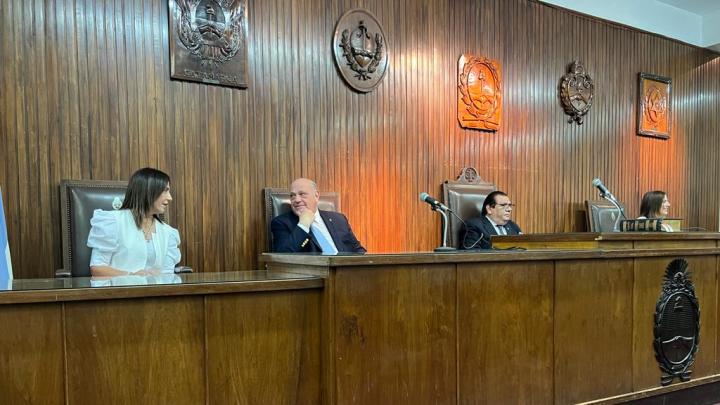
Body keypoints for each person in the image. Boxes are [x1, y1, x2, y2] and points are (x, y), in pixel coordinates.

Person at [87, 168, 181, 276]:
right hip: (118, 286)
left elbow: (167, 275)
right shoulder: (112, 222)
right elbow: (97, 268)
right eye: (165, 190)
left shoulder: (168, 233)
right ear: (147, 190)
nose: (170, 197)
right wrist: (131, 275)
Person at [270, 178, 366, 254]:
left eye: (302, 194)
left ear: (316, 195)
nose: (296, 200)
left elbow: (358, 251)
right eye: (292, 195)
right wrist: (303, 225)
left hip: (345, 269)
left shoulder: (339, 219)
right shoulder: (281, 223)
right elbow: (283, 254)